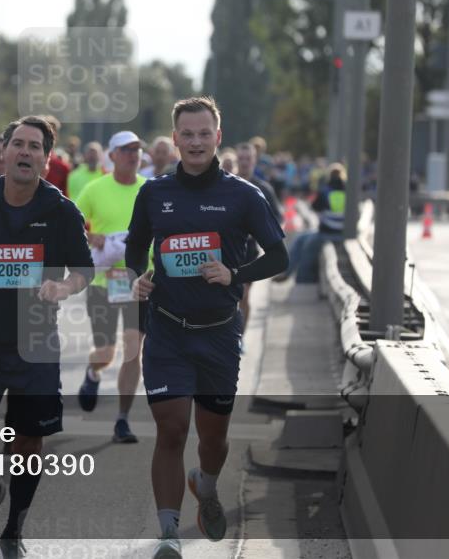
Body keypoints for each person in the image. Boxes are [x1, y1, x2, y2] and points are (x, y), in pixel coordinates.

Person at [124, 97, 287, 557]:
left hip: (218, 333)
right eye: (187, 134)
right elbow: (136, 248)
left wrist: (235, 275)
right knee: (172, 430)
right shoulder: (154, 193)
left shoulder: (244, 196)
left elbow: (279, 256)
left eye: (203, 133)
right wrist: (140, 275)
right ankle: (169, 536)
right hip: (168, 330)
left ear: (218, 137)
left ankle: (207, 484)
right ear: (174, 140)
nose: (195, 142)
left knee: (213, 440)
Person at [0, 115, 93, 558]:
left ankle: (14, 528)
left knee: (27, 443)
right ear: (2, 151)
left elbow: (83, 269)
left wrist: (62, 288)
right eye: (19, 144)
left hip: (36, 340)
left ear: (47, 162)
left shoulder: (61, 210)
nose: (26, 152)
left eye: (36, 148)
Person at [74, 131, 148, 443]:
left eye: (136, 149)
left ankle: (122, 419)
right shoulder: (95, 189)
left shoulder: (151, 190)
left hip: (139, 282)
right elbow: (72, 223)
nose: (133, 155)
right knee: (106, 351)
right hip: (105, 282)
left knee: (134, 351)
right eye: (126, 150)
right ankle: (93, 373)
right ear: (112, 155)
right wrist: (92, 238)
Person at [234, 143, 283, 329]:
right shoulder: (225, 184)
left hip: (249, 251)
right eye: (242, 159)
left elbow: (277, 218)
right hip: (225, 250)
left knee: (243, 295)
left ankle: (241, 337)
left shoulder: (263, 189)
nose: (245, 162)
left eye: (248, 159)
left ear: (255, 160)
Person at [276, 164, 346, 284]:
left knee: (303, 246)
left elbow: (314, 207)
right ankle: (289, 275)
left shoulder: (326, 191)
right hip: (343, 233)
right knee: (302, 239)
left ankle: (298, 278)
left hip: (327, 233)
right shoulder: (348, 191)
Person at [41, 116, 70, 195]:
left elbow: (65, 197)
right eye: (46, 131)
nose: (49, 135)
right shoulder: (28, 161)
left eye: (53, 131)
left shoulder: (63, 167)